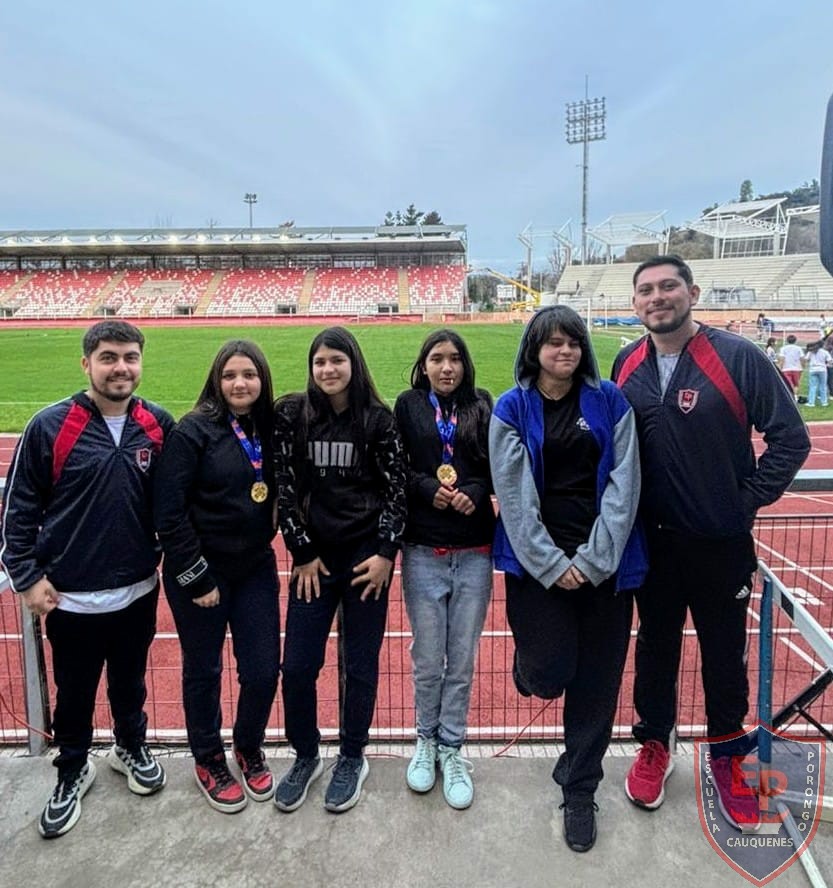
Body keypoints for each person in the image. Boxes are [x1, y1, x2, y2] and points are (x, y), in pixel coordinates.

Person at [612, 255, 810, 829]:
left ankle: (727, 754)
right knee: (655, 648)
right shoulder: (628, 362)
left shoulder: (738, 356)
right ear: (635, 303)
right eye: (646, 290)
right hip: (651, 544)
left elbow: (790, 440)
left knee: (725, 654)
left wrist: (742, 499)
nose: (657, 297)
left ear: (692, 292)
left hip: (720, 544)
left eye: (668, 286)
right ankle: (655, 745)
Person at [0, 320, 173, 838]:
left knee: (130, 683)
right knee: (74, 693)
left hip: (138, 589)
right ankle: (73, 767)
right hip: (70, 598)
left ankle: (130, 746)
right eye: (109, 357)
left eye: (130, 357)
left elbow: (175, 503)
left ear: (141, 362)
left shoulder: (158, 424)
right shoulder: (51, 426)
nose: (121, 367)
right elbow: (18, 508)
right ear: (86, 364)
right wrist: (27, 578)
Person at [489, 305, 647, 853]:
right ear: (534, 349)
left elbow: (624, 485)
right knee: (552, 669)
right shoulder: (513, 407)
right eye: (553, 343)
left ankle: (579, 788)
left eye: (573, 342)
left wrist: (595, 560)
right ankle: (531, 669)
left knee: (597, 685)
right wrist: (555, 565)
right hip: (537, 566)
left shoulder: (609, 401)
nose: (565, 352)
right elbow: (514, 497)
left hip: (606, 565)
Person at [273, 326, 407, 814]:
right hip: (315, 561)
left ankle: (352, 754)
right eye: (319, 362)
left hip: (366, 562)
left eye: (337, 360)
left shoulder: (378, 420)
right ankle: (305, 754)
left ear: (354, 364)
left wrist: (386, 553)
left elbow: (396, 492)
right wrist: (301, 550)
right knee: (299, 666)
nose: (328, 370)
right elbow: (283, 487)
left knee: (360, 665)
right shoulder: (293, 416)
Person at [153, 340, 280, 813]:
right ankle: (207, 756)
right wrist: (196, 575)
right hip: (202, 572)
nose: (240, 383)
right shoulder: (193, 432)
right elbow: (168, 511)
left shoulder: (269, 427)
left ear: (262, 379)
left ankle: (248, 746)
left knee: (264, 669)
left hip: (254, 568)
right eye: (230, 375)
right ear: (216, 380)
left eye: (249, 374)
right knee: (204, 670)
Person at [393, 329, 495, 810]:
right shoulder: (409, 405)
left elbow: (493, 466)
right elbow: (395, 467)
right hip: (422, 549)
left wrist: (474, 492)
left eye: (455, 358)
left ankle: (453, 746)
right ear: (424, 364)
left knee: (463, 657)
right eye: (437, 358)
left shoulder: (483, 403)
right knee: (428, 658)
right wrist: (423, 487)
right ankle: (425, 740)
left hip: (474, 550)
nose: (447, 367)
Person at [803, 339, 832, 407]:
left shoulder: (811, 352)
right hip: (822, 370)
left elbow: (806, 359)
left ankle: (811, 402)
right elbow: (830, 361)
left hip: (813, 369)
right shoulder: (825, 352)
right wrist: (827, 365)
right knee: (823, 386)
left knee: (813, 386)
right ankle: (824, 402)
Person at [778, 333, 804, 400]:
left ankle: (789, 396)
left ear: (787, 340)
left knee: (788, 383)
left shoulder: (783, 348)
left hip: (786, 368)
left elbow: (782, 359)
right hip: (797, 368)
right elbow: (802, 358)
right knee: (796, 384)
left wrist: (780, 367)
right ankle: (795, 396)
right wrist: (803, 366)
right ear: (795, 341)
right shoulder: (799, 348)